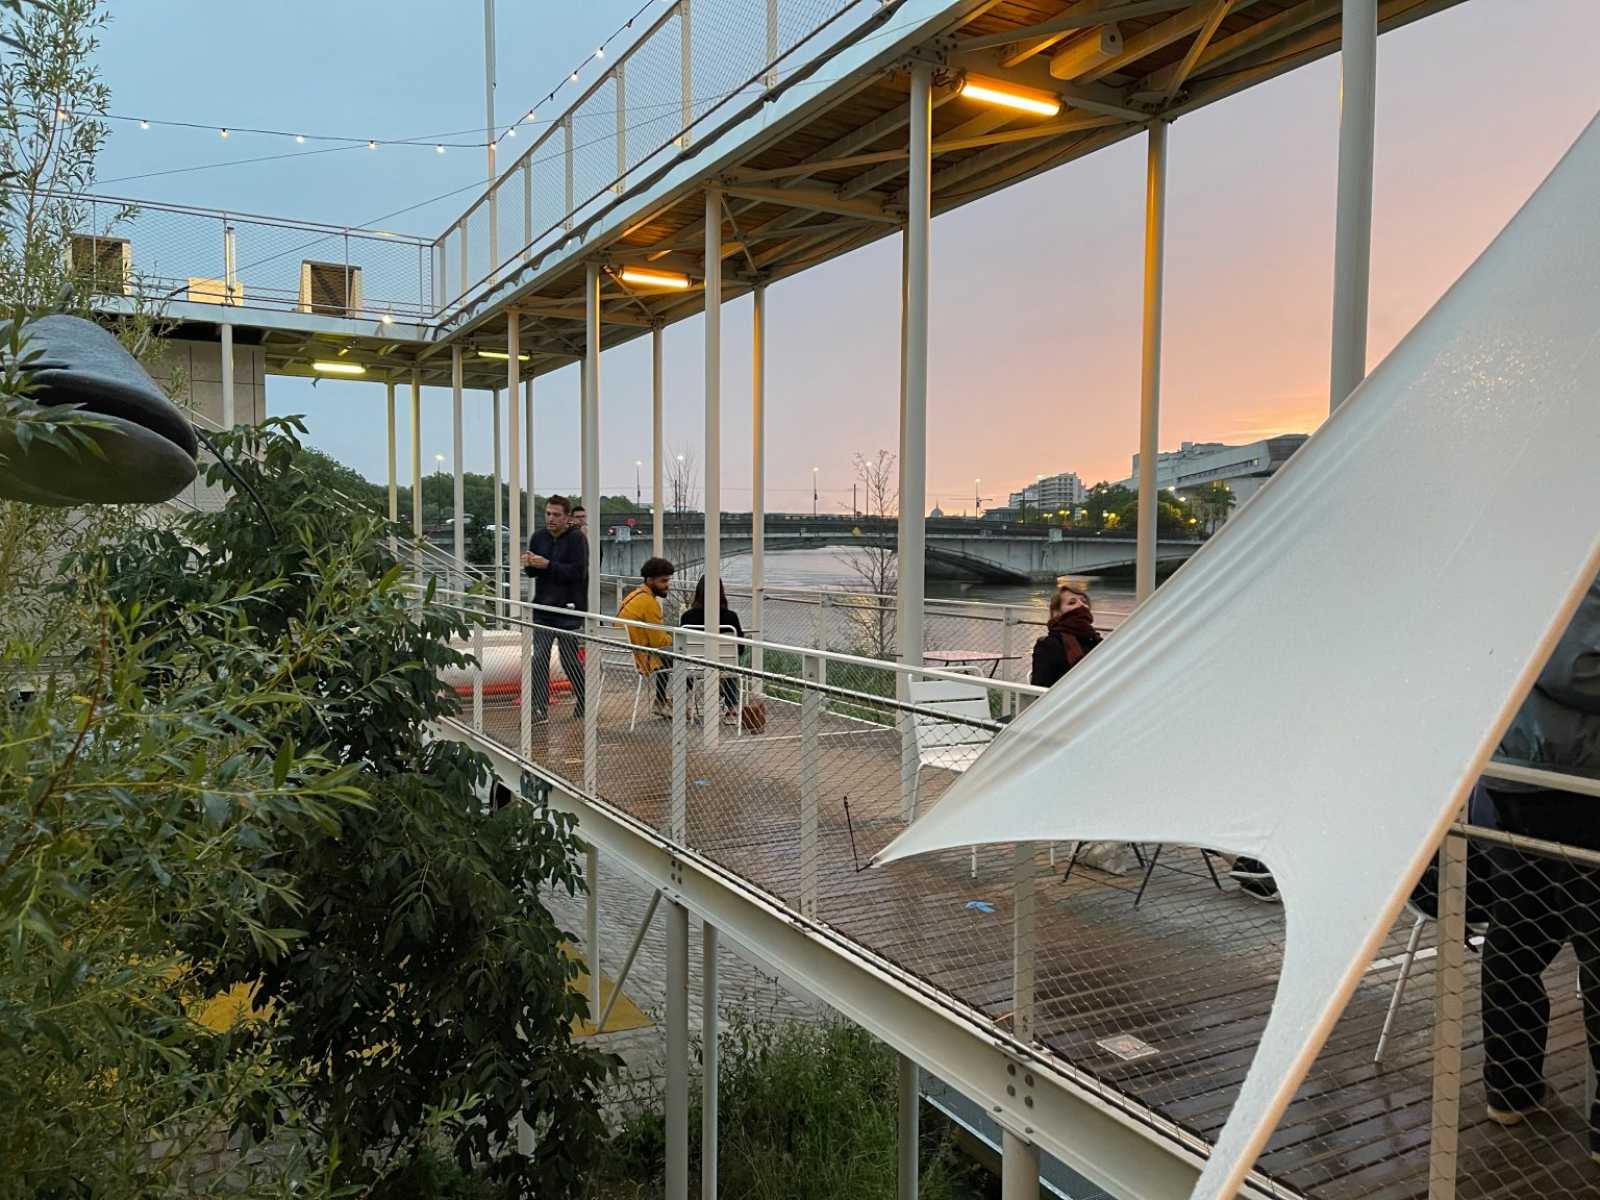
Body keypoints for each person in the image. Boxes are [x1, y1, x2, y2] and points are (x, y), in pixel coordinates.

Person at [1479, 572, 1600, 1160]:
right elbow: (1574, 667)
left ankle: (1511, 1086)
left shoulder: (1534, 543)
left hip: (1514, 769)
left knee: (1519, 933)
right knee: (1593, 943)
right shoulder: (1585, 555)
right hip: (1573, 776)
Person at [522, 495, 589, 720]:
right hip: (543, 607)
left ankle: (583, 697)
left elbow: (578, 572)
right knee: (539, 657)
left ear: (567, 517)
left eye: (556, 515)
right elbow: (534, 573)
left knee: (569, 659)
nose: (551, 518)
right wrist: (530, 565)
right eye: (548, 514)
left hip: (568, 609)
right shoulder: (538, 538)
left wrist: (548, 565)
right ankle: (539, 708)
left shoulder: (577, 539)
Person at [618, 557, 676, 715]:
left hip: (622, 652)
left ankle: (662, 700)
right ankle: (674, 701)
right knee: (686, 657)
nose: (667, 586)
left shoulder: (633, 596)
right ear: (650, 580)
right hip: (640, 655)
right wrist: (676, 640)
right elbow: (659, 642)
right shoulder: (649, 603)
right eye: (663, 581)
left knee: (670, 654)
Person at [681, 576, 744, 721]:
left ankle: (684, 702)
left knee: (686, 660)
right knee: (730, 662)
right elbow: (739, 649)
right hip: (724, 666)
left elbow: (683, 646)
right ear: (721, 592)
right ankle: (732, 707)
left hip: (694, 667)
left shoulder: (687, 617)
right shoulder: (730, 617)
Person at [1030, 582, 1101, 688]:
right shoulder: (1049, 645)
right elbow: (1039, 688)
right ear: (1056, 612)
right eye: (1072, 603)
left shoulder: (1096, 641)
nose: (1081, 605)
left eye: (1084, 602)